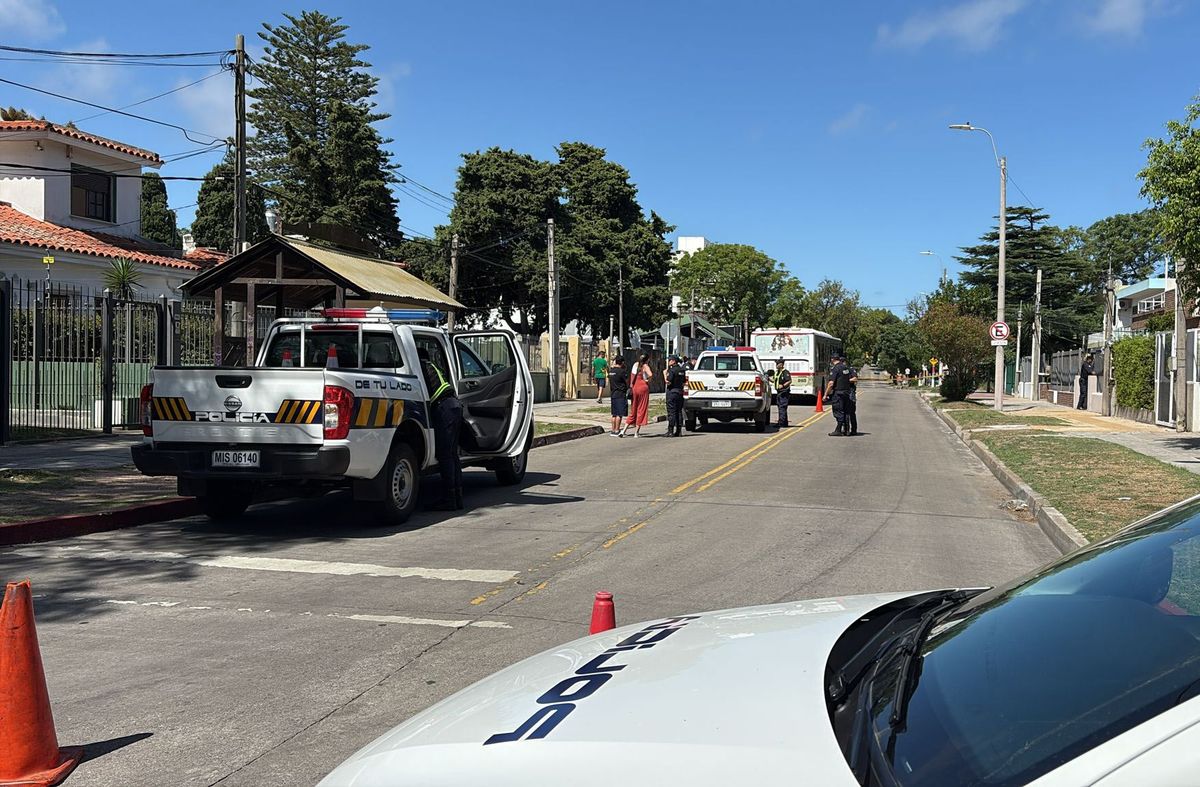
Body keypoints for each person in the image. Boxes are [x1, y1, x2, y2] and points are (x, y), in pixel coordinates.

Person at [418, 347, 463, 510]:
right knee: (452, 455)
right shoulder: (431, 365)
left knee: (445, 455)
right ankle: (457, 497)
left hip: (444, 407)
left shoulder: (421, 367)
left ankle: (449, 499)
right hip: (453, 405)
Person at [622, 353, 652, 437]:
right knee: (641, 409)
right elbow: (650, 374)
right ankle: (636, 432)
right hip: (643, 387)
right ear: (647, 359)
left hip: (635, 388)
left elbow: (632, 377)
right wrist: (646, 381)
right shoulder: (645, 366)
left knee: (633, 409)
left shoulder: (635, 365)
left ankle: (623, 430)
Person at [825, 353, 854, 436]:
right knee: (845, 411)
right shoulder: (845, 368)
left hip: (838, 393)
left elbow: (831, 383)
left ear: (832, 359)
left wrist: (825, 394)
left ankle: (838, 430)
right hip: (846, 393)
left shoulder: (835, 369)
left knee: (838, 411)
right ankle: (846, 430)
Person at [664, 355, 686, 437]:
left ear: (673, 361)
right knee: (679, 411)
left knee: (671, 412)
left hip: (672, 392)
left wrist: (664, 375)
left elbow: (668, 382)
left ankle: (670, 431)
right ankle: (679, 431)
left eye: (669, 360)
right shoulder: (682, 370)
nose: (668, 362)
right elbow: (684, 382)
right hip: (680, 392)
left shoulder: (672, 370)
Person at [608, 356, 629, 436]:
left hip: (613, 393)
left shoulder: (611, 371)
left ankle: (613, 430)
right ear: (622, 362)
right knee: (619, 414)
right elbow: (626, 380)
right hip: (620, 393)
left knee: (614, 414)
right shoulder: (622, 371)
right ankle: (617, 430)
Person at [772, 358, 792, 428]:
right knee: (781, 407)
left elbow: (789, 381)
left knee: (782, 407)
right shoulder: (777, 372)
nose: (776, 365)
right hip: (779, 392)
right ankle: (784, 422)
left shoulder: (785, 372)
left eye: (777, 364)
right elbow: (775, 381)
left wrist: (783, 385)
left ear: (781, 365)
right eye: (776, 364)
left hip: (784, 392)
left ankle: (781, 422)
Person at [845, 361, 859, 436]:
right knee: (844, 412)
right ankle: (846, 430)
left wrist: (846, 380)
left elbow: (855, 378)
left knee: (851, 412)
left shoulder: (850, 369)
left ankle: (854, 429)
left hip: (850, 391)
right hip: (843, 391)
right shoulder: (840, 370)